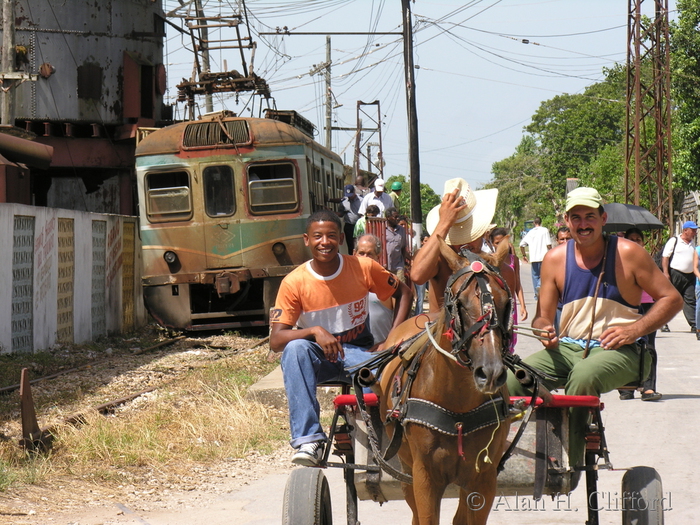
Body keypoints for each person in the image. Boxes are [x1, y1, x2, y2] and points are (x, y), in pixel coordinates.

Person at [506, 187, 682, 466]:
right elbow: (542, 317)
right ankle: (515, 452)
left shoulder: (629, 253)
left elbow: (672, 299)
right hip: (567, 349)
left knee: (583, 375)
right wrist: (543, 330)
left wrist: (635, 330)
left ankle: (569, 459)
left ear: (603, 218)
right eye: (576, 217)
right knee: (511, 377)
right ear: (566, 220)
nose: (583, 223)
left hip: (621, 352)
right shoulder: (555, 259)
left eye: (590, 216)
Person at [270, 210, 413, 466]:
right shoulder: (294, 282)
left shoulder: (363, 267)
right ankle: (309, 440)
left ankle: (386, 434)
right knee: (295, 350)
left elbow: (404, 293)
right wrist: (314, 331)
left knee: (390, 374)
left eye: (331, 236)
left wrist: (391, 339)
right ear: (306, 239)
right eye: (317, 236)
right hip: (319, 359)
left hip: (358, 355)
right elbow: (277, 340)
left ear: (341, 240)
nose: (324, 242)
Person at [412, 178, 515, 314]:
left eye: (470, 235)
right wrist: (444, 223)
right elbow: (417, 275)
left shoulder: (502, 271)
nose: (465, 244)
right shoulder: (439, 262)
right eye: (459, 236)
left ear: (483, 232)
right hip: (440, 334)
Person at [618, 228, 664, 401]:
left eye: (638, 239)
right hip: (626, 307)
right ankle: (626, 387)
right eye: (632, 239)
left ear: (643, 242)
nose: (635, 241)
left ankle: (648, 387)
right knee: (627, 345)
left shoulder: (648, 261)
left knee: (649, 346)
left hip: (648, 306)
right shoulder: (617, 262)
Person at [355, 234, 394, 342]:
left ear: (378, 256)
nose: (365, 258)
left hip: (382, 353)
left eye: (370, 254)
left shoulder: (387, 282)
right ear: (354, 253)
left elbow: (405, 299)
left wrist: (389, 342)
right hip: (355, 351)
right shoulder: (346, 280)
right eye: (361, 253)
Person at [661, 220, 699, 333]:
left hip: (690, 276)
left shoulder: (692, 243)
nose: (695, 233)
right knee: (670, 300)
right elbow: (665, 257)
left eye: (695, 230)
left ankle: (694, 325)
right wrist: (666, 273)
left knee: (690, 300)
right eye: (693, 230)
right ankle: (663, 323)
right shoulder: (674, 241)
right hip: (676, 274)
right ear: (685, 230)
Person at [491, 227, 528, 330]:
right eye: (497, 243)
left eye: (503, 242)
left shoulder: (513, 260)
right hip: (496, 303)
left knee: (511, 333)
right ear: (492, 244)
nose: (500, 245)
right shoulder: (490, 260)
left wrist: (523, 306)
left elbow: (517, 284)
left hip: (511, 302)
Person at [519, 217, 552, 298]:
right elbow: (548, 244)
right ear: (541, 222)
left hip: (534, 258)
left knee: (535, 276)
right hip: (544, 257)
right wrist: (552, 252)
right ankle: (540, 286)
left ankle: (536, 294)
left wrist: (524, 255)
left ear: (534, 223)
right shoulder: (545, 230)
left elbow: (521, 245)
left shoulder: (530, 232)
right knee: (544, 274)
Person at [384, 207, 410, 283]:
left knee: (400, 286)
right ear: (388, 218)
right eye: (395, 217)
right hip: (386, 266)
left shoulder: (401, 230)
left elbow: (403, 247)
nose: (397, 219)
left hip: (398, 265)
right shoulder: (382, 229)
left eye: (398, 216)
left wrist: (407, 261)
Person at [339, 184, 361, 253]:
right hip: (349, 226)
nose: (350, 197)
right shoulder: (344, 202)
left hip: (359, 226)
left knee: (359, 244)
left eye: (351, 195)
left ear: (354, 192)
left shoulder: (361, 200)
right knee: (351, 246)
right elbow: (341, 214)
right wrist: (331, 212)